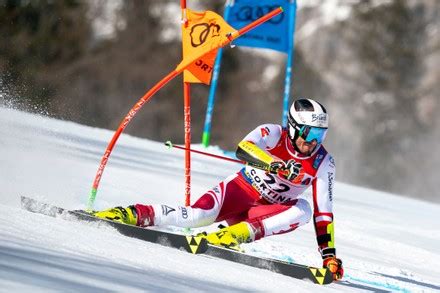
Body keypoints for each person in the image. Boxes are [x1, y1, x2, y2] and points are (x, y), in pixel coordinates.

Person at [93, 98, 344, 281]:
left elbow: (324, 213)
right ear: (294, 127)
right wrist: (274, 164)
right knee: (195, 217)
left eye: (320, 135)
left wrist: (329, 256)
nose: (313, 142)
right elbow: (244, 148)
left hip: (264, 213)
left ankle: (235, 235)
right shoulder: (273, 133)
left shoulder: (323, 163)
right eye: (310, 133)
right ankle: (132, 213)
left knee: (303, 209)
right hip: (240, 191)